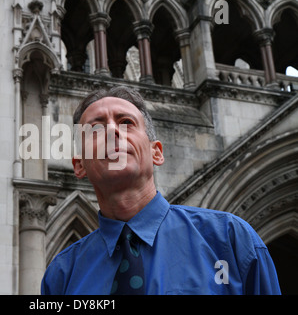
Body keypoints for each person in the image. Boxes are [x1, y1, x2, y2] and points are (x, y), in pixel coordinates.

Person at [41, 86, 281, 295]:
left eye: (126, 123)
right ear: (80, 165)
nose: (112, 131)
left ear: (156, 152)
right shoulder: (62, 276)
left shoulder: (231, 241)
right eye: (95, 128)